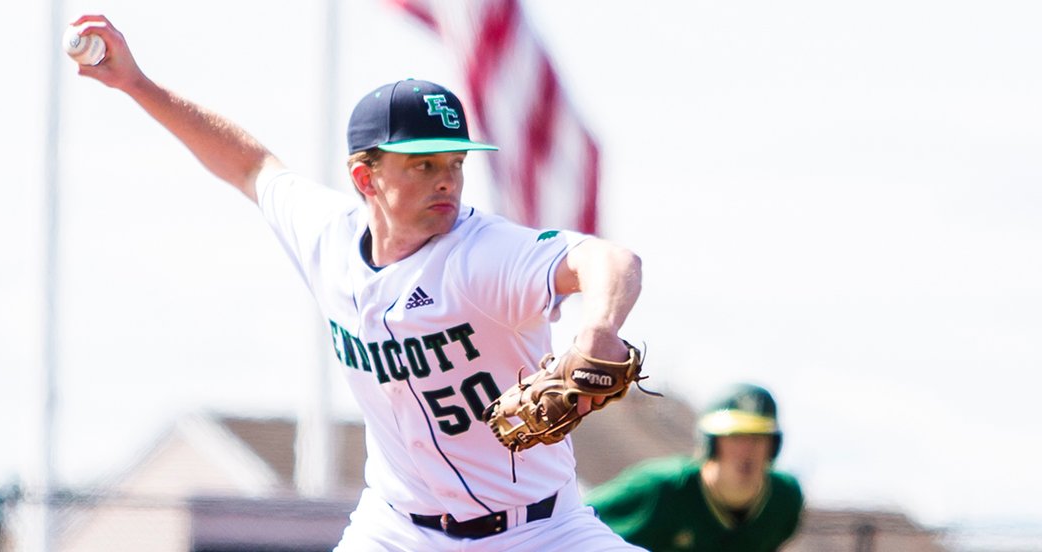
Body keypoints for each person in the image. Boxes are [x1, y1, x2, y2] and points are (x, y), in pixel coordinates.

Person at [69, 15, 647, 552]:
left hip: (538, 531)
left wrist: (597, 327)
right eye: (423, 164)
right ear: (364, 177)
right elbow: (249, 165)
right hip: (398, 530)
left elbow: (610, 260)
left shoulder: (483, 255)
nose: (446, 180)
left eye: (455, 163)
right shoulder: (328, 238)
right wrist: (137, 84)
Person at [585, 383, 805, 552]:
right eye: (735, 437)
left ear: (773, 446)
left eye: (758, 438)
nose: (747, 450)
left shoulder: (784, 500)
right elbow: (572, 520)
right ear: (711, 443)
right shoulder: (660, 488)